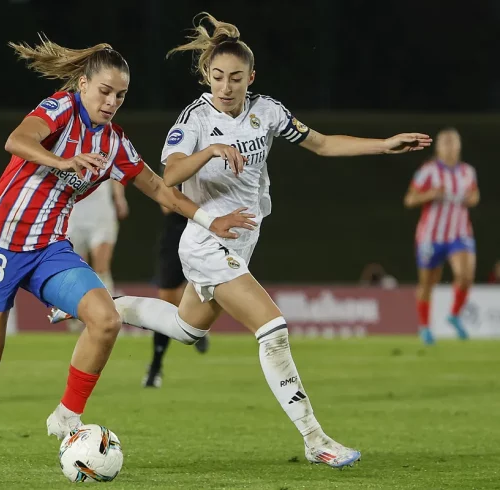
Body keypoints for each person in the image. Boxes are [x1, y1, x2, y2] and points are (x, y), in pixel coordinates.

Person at [62, 13, 431, 468]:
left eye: (236, 78)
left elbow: (321, 144)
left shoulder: (267, 112)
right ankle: (315, 440)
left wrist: (384, 144)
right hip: (204, 241)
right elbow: (168, 176)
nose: (225, 86)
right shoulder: (195, 119)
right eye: (217, 77)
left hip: (240, 242)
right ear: (206, 77)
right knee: (272, 329)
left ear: (250, 77)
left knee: (186, 328)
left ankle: (97, 302)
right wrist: (211, 150)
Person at [0, 34, 255, 478]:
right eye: (105, 91)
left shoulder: (113, 144)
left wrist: (209, 220)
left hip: (50, 250)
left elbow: (160, 190)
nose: (111, 102)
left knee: (106, 318)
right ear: (84, 85)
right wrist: (62, 161)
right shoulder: (61, 108)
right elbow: (17, 140)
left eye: (121, 95)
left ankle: (67, 416)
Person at [404, 128, 479, 345]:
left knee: (465, 276)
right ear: (438, 147)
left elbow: (475, 194)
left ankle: (454, 314)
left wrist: (471, 199)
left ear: (459, 146)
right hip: (430, 236)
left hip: (460, 233)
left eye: (453, 142)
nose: (449, 146)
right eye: (445, 142)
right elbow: (409, 199)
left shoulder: (467, 172)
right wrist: (430, 194)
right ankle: (425, 328)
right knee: (428, 283)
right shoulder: (428, 171)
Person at [143, 194, 209, 388]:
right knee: (167, 301)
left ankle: (198, 323)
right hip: (176, 233)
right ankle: (156, 365)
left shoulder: (218, 162)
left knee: (207, 291)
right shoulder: (176, 162)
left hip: (207, 233)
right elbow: (167, 204)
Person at [64, 179, 127, 332]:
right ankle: (77, 316)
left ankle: (109, 316)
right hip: (73, 212)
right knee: (77, 270)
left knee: (101, 268)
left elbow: (115, 170)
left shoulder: (104, 153)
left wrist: (119, 197)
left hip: (101, 211)